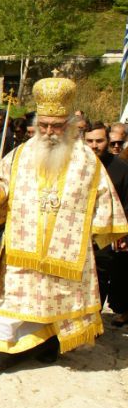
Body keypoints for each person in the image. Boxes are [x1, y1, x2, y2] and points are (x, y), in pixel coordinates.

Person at [0, 75, 128, 371]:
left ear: (69, 125)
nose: (48, 132)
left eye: (56, 126)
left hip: (65, 249)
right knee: (12, 298)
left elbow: (104, 197)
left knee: (52, 303)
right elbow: (3, 181)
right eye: (43, 125)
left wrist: (101, 230)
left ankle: (47, 343)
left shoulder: (85, 159)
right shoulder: (20, 154)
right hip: (22, 244)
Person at [84, 122, 128, 326]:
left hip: (105, 233)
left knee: (100, 275)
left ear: (108, 141)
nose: (94, 145)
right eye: (90, 141)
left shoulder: (121, 168)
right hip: (77, 232)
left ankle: (94, 319)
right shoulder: (77, 165)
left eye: (99, 141)